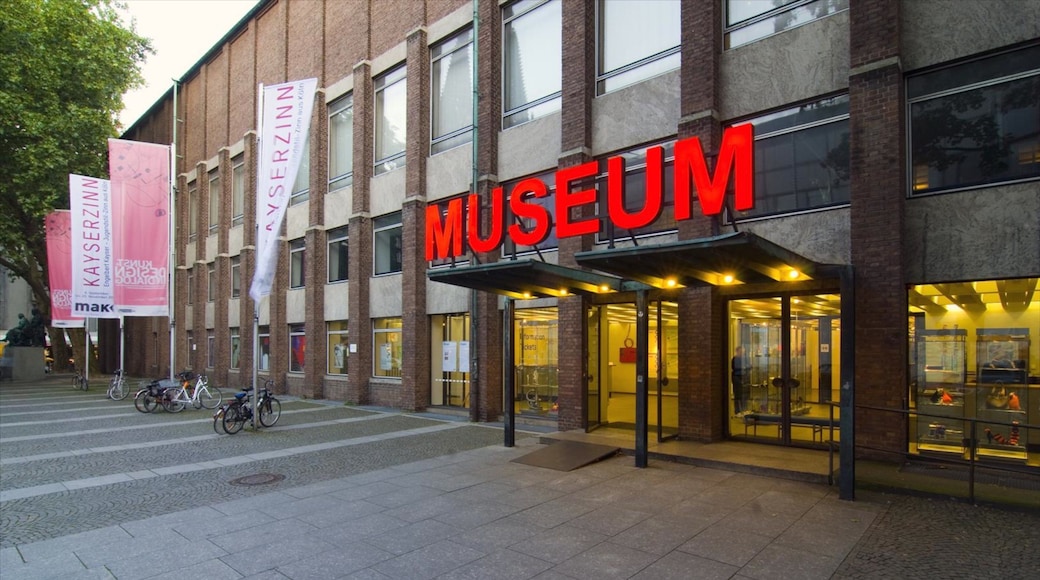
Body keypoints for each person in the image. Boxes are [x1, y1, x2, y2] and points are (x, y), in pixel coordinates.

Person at [731, 345, 748, 415]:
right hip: (736, 377)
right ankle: (737, 410)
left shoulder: (744, 359)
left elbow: (748, 366)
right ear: (737, 351)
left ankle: (743, 410)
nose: (742, 353)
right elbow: (734, 368)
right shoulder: (734, 359)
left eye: (743, 352)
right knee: (737, 395)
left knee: (744, 395)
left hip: (743, 377)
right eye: (741, 351)